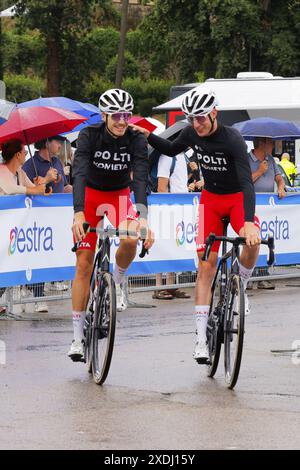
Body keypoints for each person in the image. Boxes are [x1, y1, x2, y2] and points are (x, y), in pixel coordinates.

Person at [130, 85, 260, 364]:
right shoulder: (190, 131)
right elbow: (170, 147)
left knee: (254, 240)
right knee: (205, 267)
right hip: (210, 201)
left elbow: (247, 183)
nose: (196, 124)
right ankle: (201, 339)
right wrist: (149, 135)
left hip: (236, 198)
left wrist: (248, 222)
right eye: (192, 118)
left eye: (201, 117)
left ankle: (243, 285)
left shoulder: (233, 139)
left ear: (214, 113)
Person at [69, 88, 154, 362]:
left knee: (130, 239)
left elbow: (140, 178)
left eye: (126, 115)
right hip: (91, 198)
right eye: (116, 115)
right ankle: (77, 336)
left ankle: (116, 280)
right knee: (83, 264)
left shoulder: (136, 139)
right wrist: (79, 213)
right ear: (104, 114)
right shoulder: (89, 135)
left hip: (118, 196)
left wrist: (142, 216)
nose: (122, 120)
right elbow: (79, 172)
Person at [22, 135, 71, 312]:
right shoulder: (29, 165)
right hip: (38, 220)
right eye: (57, 141)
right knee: (38, 256)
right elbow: (25, 191)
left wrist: (79, 189)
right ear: (46, 142)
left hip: (58, 218)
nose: (60, 145)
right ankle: (37, 296)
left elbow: (64, 187)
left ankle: (50, 285)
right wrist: (47, 178)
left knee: (54, 254)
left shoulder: (57, 162)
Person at [0, 138, 46, 314]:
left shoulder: (20, 172)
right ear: (18, 154)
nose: (27, 155)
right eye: (25, 153)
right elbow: (12, 190)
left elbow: (35, 188)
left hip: (14, 229)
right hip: (4, 227)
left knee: (9, 264)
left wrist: (43, 181)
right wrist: (33, 190)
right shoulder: (2, 171)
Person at [152, 151, 190, 300]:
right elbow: (162, 185)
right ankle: (159, 287)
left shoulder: (182, 156)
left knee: (175, 246)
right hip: (169, 207)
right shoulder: (167, 156)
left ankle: (171, 286)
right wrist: (167, 208)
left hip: (181, 207)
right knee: (162, 245)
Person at [248, 137, 285, 290]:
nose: (273, 146)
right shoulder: (245, 159)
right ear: (262, 143)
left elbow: (279, 178)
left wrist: (281, 187)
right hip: (251, 206)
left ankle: (262, 276)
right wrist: (259, 172)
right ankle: (248, 277)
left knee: (266, 241)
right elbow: (243, 181)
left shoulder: (271, 159)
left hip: (268, 209)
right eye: (270, 142)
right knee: (251, 241)